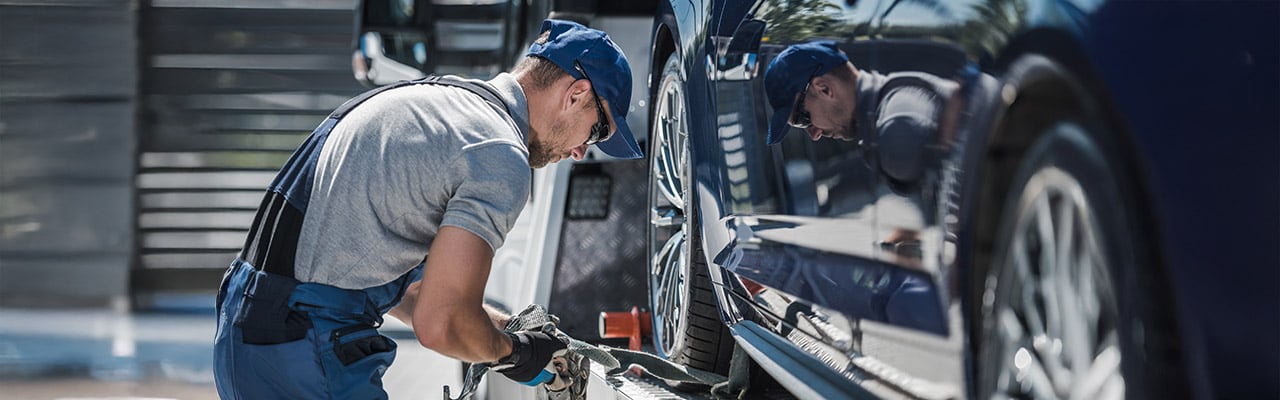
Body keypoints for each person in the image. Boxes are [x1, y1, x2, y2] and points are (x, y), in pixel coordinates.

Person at [212, 19, 642, 399]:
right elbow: (442, 324)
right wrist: (521, 354)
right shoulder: (498, 155)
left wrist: (508, 331)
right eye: (599, 128)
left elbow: (393, 284)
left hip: (250, 333)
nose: (583, 151)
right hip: (304, 353)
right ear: (576, 93)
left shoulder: (439, 100)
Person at [764, 40, 956, 191]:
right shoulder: (897, 103)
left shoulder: (897, 134)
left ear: (824, 89)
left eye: (803, 119)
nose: (814, 135)